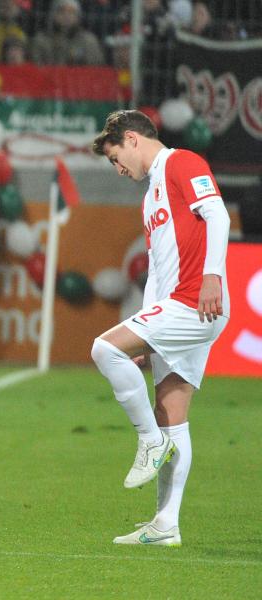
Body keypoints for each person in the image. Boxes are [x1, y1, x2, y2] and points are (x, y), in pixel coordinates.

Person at [90, 110, 231, 547]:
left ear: (132, 139)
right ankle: (165, 525)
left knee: (103, 349)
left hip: (194, 300)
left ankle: (148, 443)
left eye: (117, 158)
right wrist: (148, 339)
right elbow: (158, 269)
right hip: (172, 305)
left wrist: (212, 276)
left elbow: (219, 217)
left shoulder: (182, 163)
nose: (119, 170)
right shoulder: (151, 194)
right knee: (173, 418)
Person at [31, 0, 105, 66]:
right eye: (61, 11)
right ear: (53, 15)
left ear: (78, 17)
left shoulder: (89, 41)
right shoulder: (41, 39)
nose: (66, 15)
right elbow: (35, 67)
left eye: (72, 12)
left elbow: (96, 68)